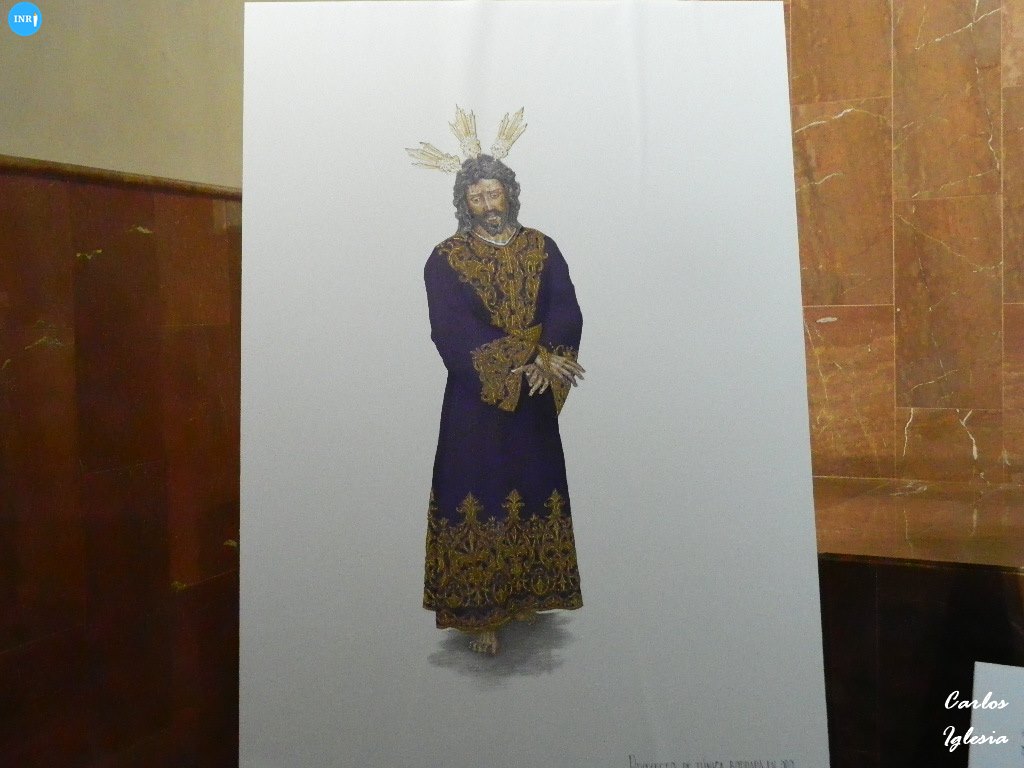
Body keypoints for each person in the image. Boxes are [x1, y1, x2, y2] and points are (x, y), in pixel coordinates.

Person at [420, 150, 585, 656]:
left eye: (494, 193)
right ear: (464, 203)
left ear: (509, 194)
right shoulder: (445, 258)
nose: (488, 205)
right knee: (481, 492)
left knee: (532, 485)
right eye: (477, 197)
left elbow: (565, 307)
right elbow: (451, 330)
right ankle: (481, 615)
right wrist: (530, 356)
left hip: (533, 398)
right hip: (477, 403)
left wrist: (550, 360)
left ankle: (529, 595)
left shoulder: (541, 246)